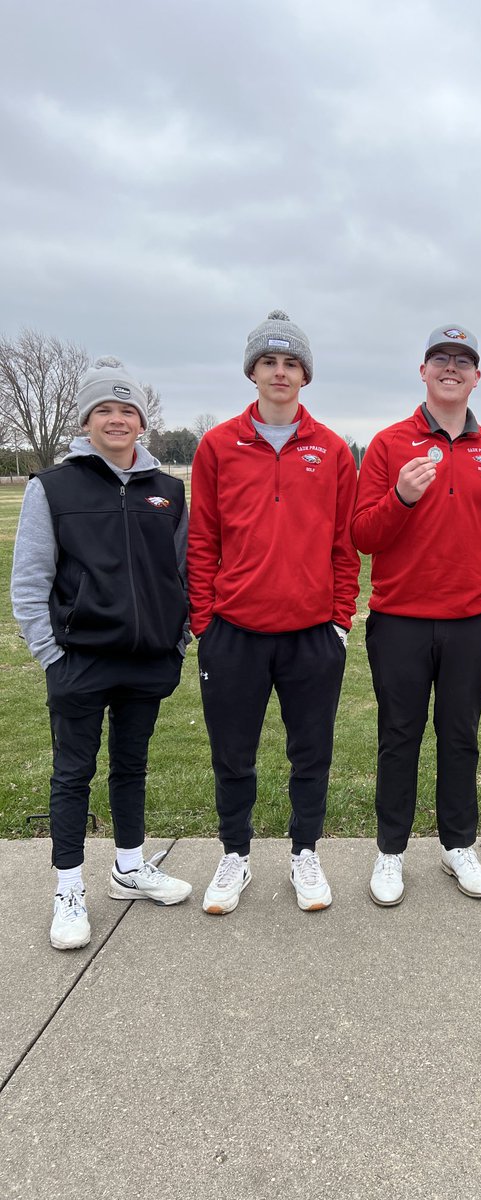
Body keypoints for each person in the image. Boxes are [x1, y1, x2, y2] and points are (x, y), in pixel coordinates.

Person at [11, 357, 192, 951]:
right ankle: (68, 890)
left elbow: (182, 574)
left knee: (131, 768)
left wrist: (179, 636)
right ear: (86, 420)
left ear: (142, 420)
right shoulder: (52, 486)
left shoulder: (167, 491)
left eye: (127, 410)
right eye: (104, 410)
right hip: (80, 660)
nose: (117, 420)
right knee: (72, 775)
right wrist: (51, 655)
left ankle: (129, 869)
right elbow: (30, 582)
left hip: (147, 659)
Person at [188, 310, 359, 916]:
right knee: (232, 753)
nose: (280, 372)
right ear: (252, 372)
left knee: (310, 751)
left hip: (313, 633)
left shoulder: (333, 449)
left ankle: (304, 853)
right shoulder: (217, 445)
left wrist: (340, 618)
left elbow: (344, 542)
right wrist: (204, 620)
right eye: (269, 362)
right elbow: (203, 539)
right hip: (233, 632)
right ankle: (234, 854)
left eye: (291, 363)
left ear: (305, 376)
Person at [351, 324, 481, 906]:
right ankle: (391, 852)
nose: (452, 368)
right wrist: (400, 497)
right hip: (400, 619)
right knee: (398, 735)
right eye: (440, 359)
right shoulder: (389, 443)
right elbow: (362, 536)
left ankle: (457, 846)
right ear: (423, 372)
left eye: (463, 361)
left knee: (460, 735)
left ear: (476, 376)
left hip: (472, 621)